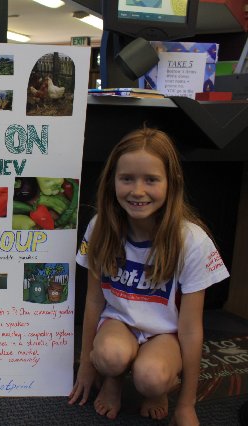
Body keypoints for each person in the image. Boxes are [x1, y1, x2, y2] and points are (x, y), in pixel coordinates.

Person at [68, 127, 229, 424]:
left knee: (151, 378)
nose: (137, 191)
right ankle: (113, 379)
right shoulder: (100, 227)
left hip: (165, 334)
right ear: (112, 180)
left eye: (151, 180)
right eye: (127, 178)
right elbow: (93, 302)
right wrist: (87, 365)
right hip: (117, 325)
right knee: (109, 355)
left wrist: (186, 405)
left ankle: (158, 388)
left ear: (172, 183)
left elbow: (191, 329)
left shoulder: (192, 241)